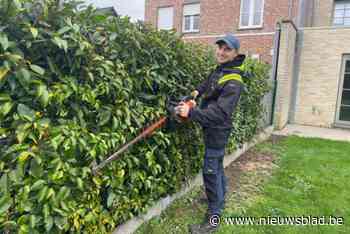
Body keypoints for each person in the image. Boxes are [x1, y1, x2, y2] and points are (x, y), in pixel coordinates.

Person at [175, 33, 246, 233]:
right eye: (220, 47)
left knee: (210, 172)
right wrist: (194, 95)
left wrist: (191, 112)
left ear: (235, 53)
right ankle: (219, 198)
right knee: (216, 166)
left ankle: (212, 220)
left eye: (227, 49)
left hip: (217, 130)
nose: (221, 52)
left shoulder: (234, 81)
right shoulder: (221, 70)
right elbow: (206, 85)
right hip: (212, 130)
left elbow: (219, 113)